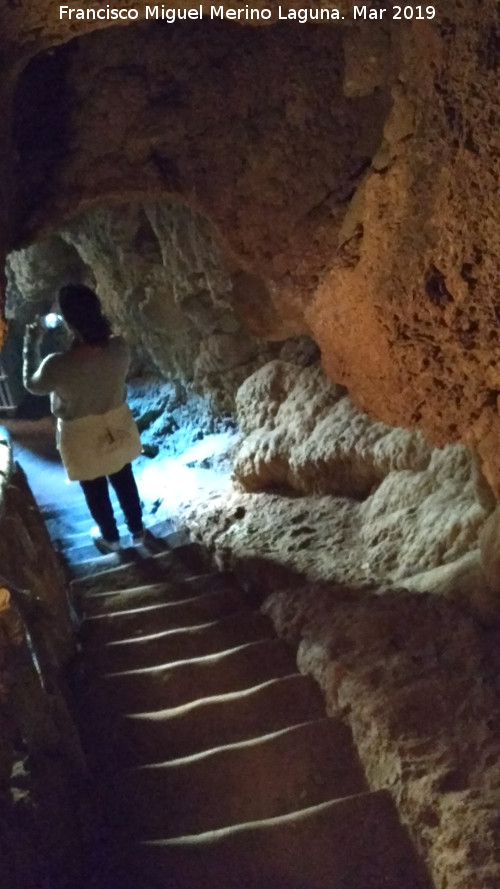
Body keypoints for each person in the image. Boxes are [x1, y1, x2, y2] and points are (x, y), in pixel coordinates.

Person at [23, 284, 144, 554]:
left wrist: (32, 342)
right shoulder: (119, 348)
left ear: (68, 321)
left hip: (80, 437)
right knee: (124, 477)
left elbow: (32, 384)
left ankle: (111, 537)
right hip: (118, 427)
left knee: (94, 487)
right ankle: (138, 531)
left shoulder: (57, 365)